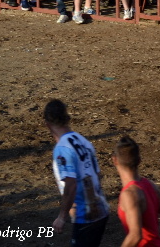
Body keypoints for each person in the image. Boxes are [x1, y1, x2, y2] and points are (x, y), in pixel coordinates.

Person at [43, 99, 109, 246]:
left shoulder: (62, 149)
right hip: (101, 211)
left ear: (47, 124)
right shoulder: (84, 142)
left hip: (85, 216)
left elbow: (71, 185)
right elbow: (97, 175)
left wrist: (61, 217)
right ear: (68, 119)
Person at [112, 136, 160, 247]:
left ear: (114, 160)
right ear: (139, 161)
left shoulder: (129, 194)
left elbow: (135, 236)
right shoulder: (150, 185)